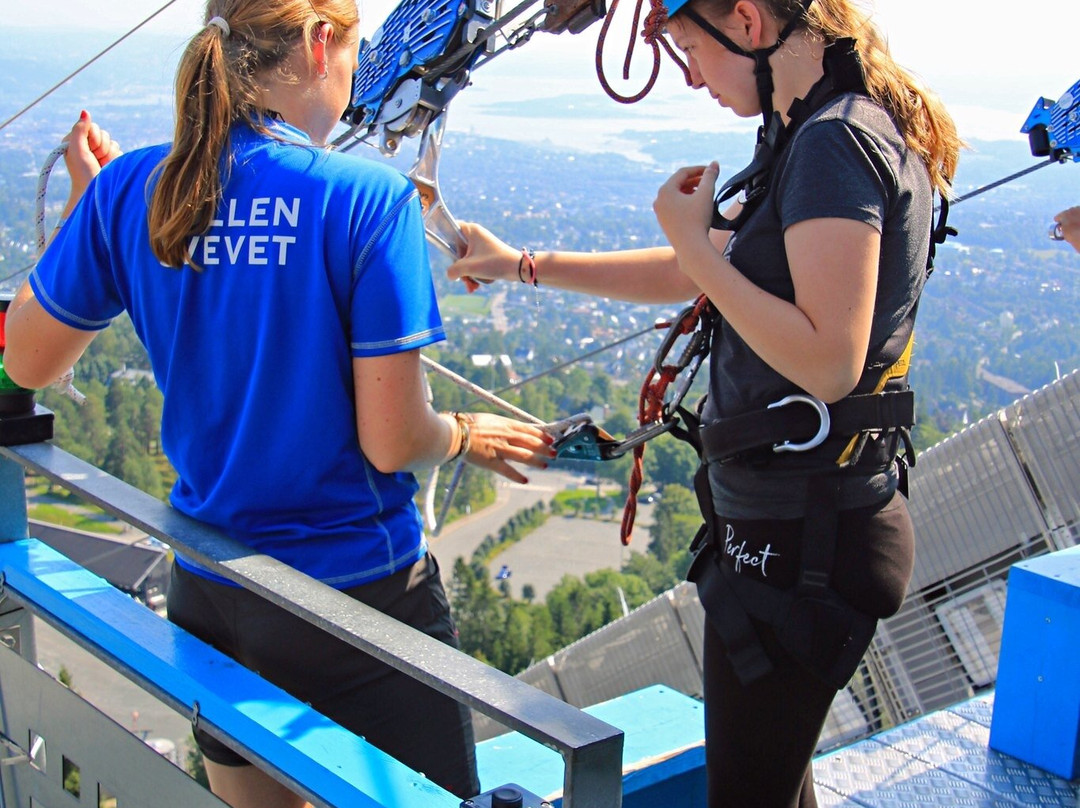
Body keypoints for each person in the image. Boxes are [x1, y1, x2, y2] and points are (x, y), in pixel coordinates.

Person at [3, 1, 554, 806]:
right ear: (319, 42)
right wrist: (465, 434)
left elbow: (26, 360)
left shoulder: (129, 190)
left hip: (210, 590)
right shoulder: (369, 201)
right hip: (356, 602)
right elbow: (395, 440)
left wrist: (91, 208)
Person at [446, 0, 960, 805]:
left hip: (805, 542)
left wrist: (692, 242)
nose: (691, 77)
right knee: (774, 788)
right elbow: (699, 272)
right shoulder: (807, 132)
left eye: (689, 48)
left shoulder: (832, 141)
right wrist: (523, 265)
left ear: (748, 23)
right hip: (794, 529)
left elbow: (828, 359)